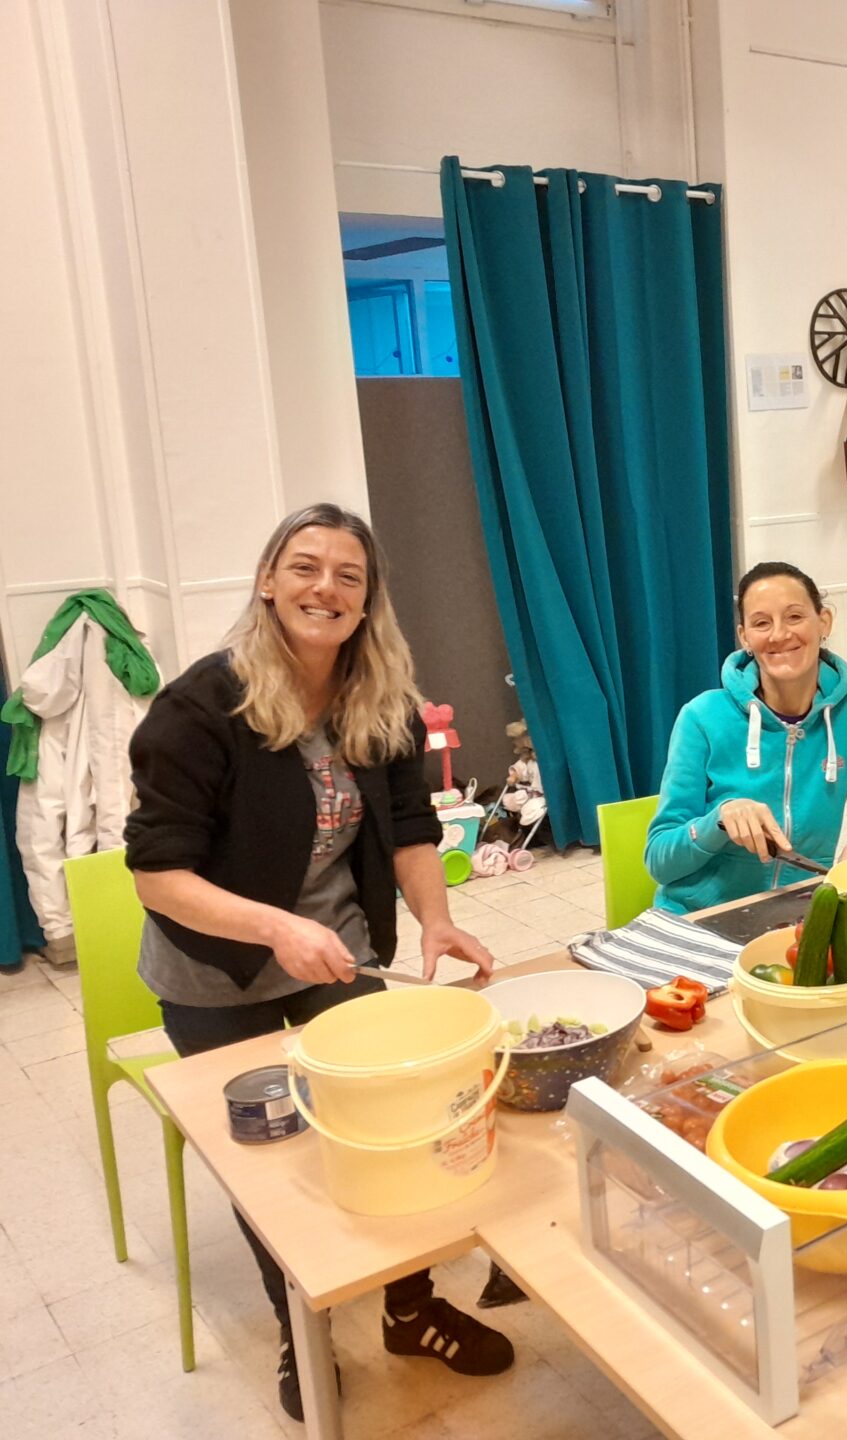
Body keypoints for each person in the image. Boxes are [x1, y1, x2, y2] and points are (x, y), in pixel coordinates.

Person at [125, 505, 514, 1421]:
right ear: (268, 580)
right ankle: (300, 1331)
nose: (325, 588)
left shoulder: (381, 697)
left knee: (395, 1120)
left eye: (349, 575)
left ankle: (410, 1311)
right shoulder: (200, 707)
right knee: (276, 1162)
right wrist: (275, 929)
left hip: (338, 956)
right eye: (304, 567)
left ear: (368, 599)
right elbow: (156, 875)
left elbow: (411, 829)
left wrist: (436, 921)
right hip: (217, 973)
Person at [647, 561, 847, 913]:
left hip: (797, 914)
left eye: (794, 616)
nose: (779, 634)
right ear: (745, 637)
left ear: (824, 622)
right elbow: (659, 860)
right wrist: (718, 820)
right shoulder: (701, 716)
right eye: (762, 623)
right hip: (699, 915)